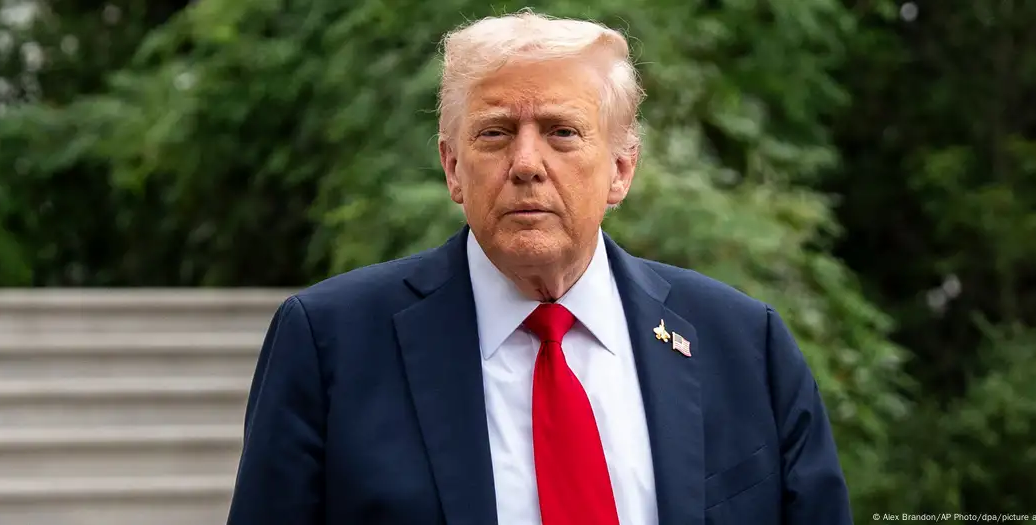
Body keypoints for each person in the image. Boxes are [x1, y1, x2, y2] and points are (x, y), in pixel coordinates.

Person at [226, 10, 852, 525]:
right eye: (495, 134)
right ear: (452, 169)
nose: (526, 163)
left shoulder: (744, 344)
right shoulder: (330, 343)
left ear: (621, 169)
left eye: (562, 132)